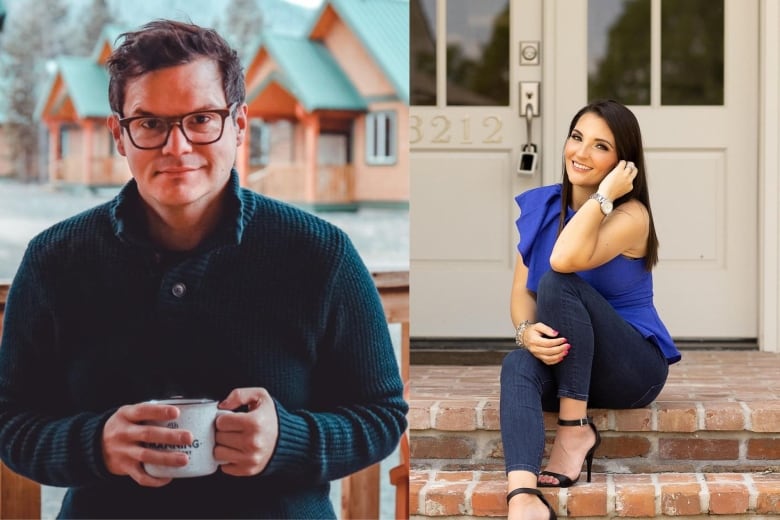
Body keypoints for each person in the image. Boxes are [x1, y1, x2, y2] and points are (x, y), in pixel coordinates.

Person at [0, 20, 407, 519]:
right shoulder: (54, 260)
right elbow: (11, 422)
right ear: (118, 135)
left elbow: (381, 416)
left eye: (201, 119)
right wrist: (96, 444)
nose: (177, 147)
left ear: (238, 123)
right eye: (150, 123)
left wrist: (288, 439)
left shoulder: (320, 254)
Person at [500, 100, 681, 520]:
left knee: (559, 282)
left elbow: (563, 261)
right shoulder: (542, 208)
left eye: (600, 146)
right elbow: (519, 295)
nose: (580, 153)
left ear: (623, 164)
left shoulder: (632, 215)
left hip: (631, 369)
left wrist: (602, 196)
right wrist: (526, 333)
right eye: (577, 138)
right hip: (572, 366)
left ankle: (573, 432)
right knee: (515, 365)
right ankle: (523, 496)